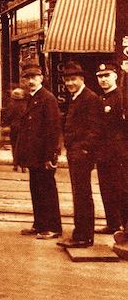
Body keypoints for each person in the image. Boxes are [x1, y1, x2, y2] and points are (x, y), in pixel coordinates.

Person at [57, 61, 103, 249]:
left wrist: (83, 150)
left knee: (82, 195)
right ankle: (81, 234)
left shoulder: (89, 98)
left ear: (82, 79)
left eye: (73, 79)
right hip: (75, 153)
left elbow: (94, 129)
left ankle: (83, 236)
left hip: (81, 155)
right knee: (79, 194)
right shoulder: (77, 97)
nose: (69, 83)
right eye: (67, 80)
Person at [15, 62, 63, 240]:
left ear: (41, 78)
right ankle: (40, 224)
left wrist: (51, 156)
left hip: (44, 156)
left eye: (34, 77)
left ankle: (54, 227)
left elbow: (53, 129)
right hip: (34, 155)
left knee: (47, 190)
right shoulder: (32, 98)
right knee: (36, 190)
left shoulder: (47, 98)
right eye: (27, 78)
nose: (30, 81)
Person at [93, 63, 128, 236]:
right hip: (103, 153)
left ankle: (124, 225)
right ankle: (112, 223)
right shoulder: (101, 99)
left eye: (107, 75)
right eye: (100, 76)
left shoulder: (122, 97)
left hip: (119, 152)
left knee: (121, 188)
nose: (103, 79)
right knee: (106, 188)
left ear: (115, 76)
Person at [3, 87, 27, 172]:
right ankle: (23, 165)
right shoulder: (25, 104)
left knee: (14, 146)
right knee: (23, 147)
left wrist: (6, 125)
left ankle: (15, 164)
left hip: (14, 128)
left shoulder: (10, 105)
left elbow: (8, 116)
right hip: (24, 128)